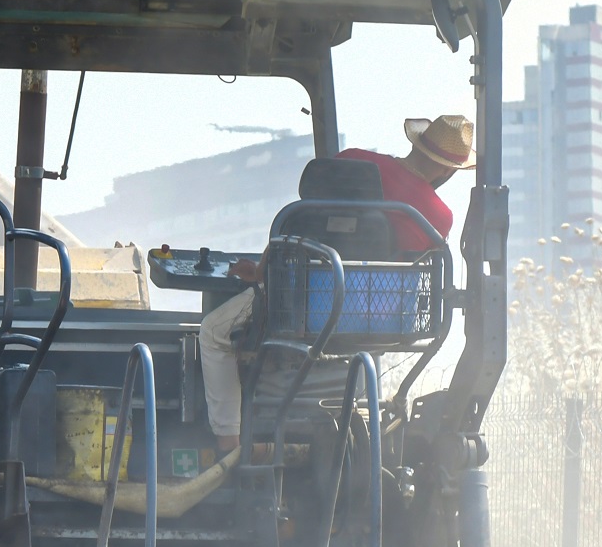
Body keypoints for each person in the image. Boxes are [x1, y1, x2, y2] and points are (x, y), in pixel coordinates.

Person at [199, 113, 469, 452]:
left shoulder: (353, 160)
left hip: (303, 306)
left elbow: (297, 225)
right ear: (448, 170)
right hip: (378, 319)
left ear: (415, 143)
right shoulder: (439, 216)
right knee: (363, 349)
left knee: (213, 331)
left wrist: (261, 270)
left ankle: (229, 441)